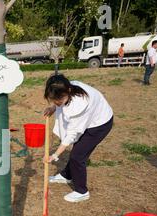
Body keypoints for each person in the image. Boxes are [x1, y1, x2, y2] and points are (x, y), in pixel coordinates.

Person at [43, 74, 114, 203]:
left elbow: (71, 135)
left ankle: (82, 191)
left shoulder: (79, 106)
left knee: (77, 156)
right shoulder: (66, 87)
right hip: (92, 117)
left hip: (100, 124)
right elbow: (59, 100)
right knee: (77, 150)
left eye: (59, 100)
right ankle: (66, 175)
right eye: (54, 100)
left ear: (68, 91)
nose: (57, 103)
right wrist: (53, 108)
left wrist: (54, 155)